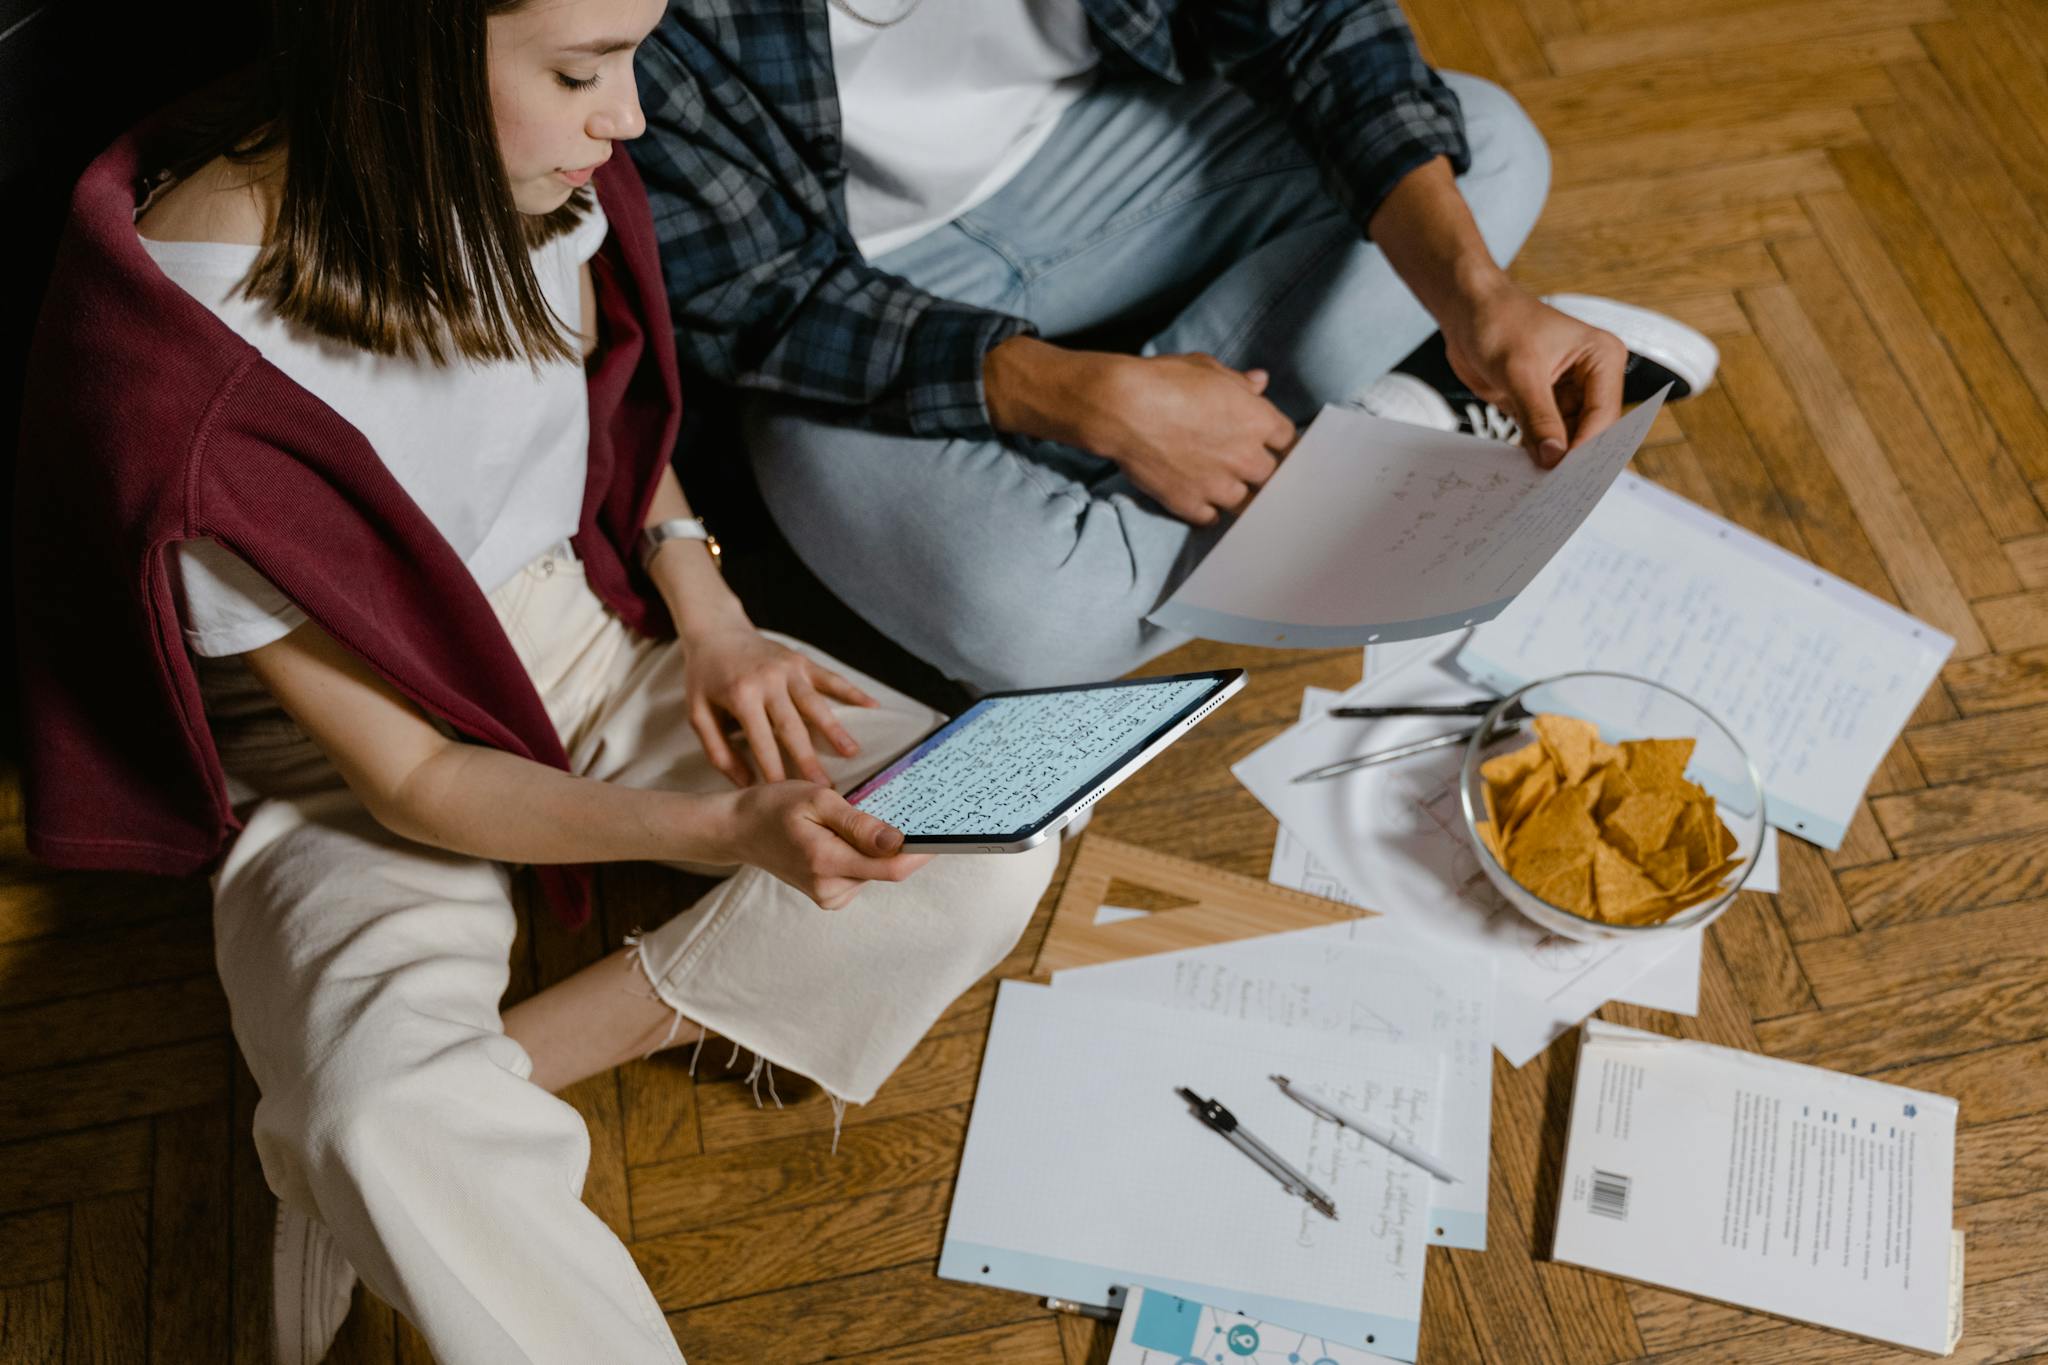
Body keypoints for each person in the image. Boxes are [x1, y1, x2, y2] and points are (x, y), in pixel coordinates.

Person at [12, 0, 1055, 1359]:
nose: (627, 114)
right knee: (369, 1118)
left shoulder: (521, 160)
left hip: (566, 634)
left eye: (630, 53)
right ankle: (414, 1138)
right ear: (411, 52)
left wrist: (709, 604)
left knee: (997, 824)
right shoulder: (196, 372)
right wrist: (725, 834)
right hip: (344, 758)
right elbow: (421, 776)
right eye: (582, 70)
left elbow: (589, 418)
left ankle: (498, 1081)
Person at [627, 0, 1716, 694]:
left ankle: (1221, 453)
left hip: (1099, 147)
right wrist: (1063, 394)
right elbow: (752, 296)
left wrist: (1476, 295)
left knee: (1488, 152)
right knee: (1026, 622)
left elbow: (1313, 25)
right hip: (844, 285)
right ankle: (1364, 429)